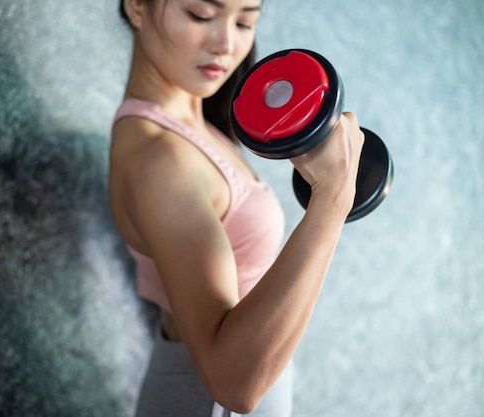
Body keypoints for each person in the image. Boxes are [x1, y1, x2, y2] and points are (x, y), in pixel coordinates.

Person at [109, 0, 364, 415]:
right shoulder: (161, 159)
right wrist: (332, 200)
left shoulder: (199, 125)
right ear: (137, 6)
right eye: (201, 16)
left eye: (245, 21)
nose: (227, 44)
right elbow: (234, 384)